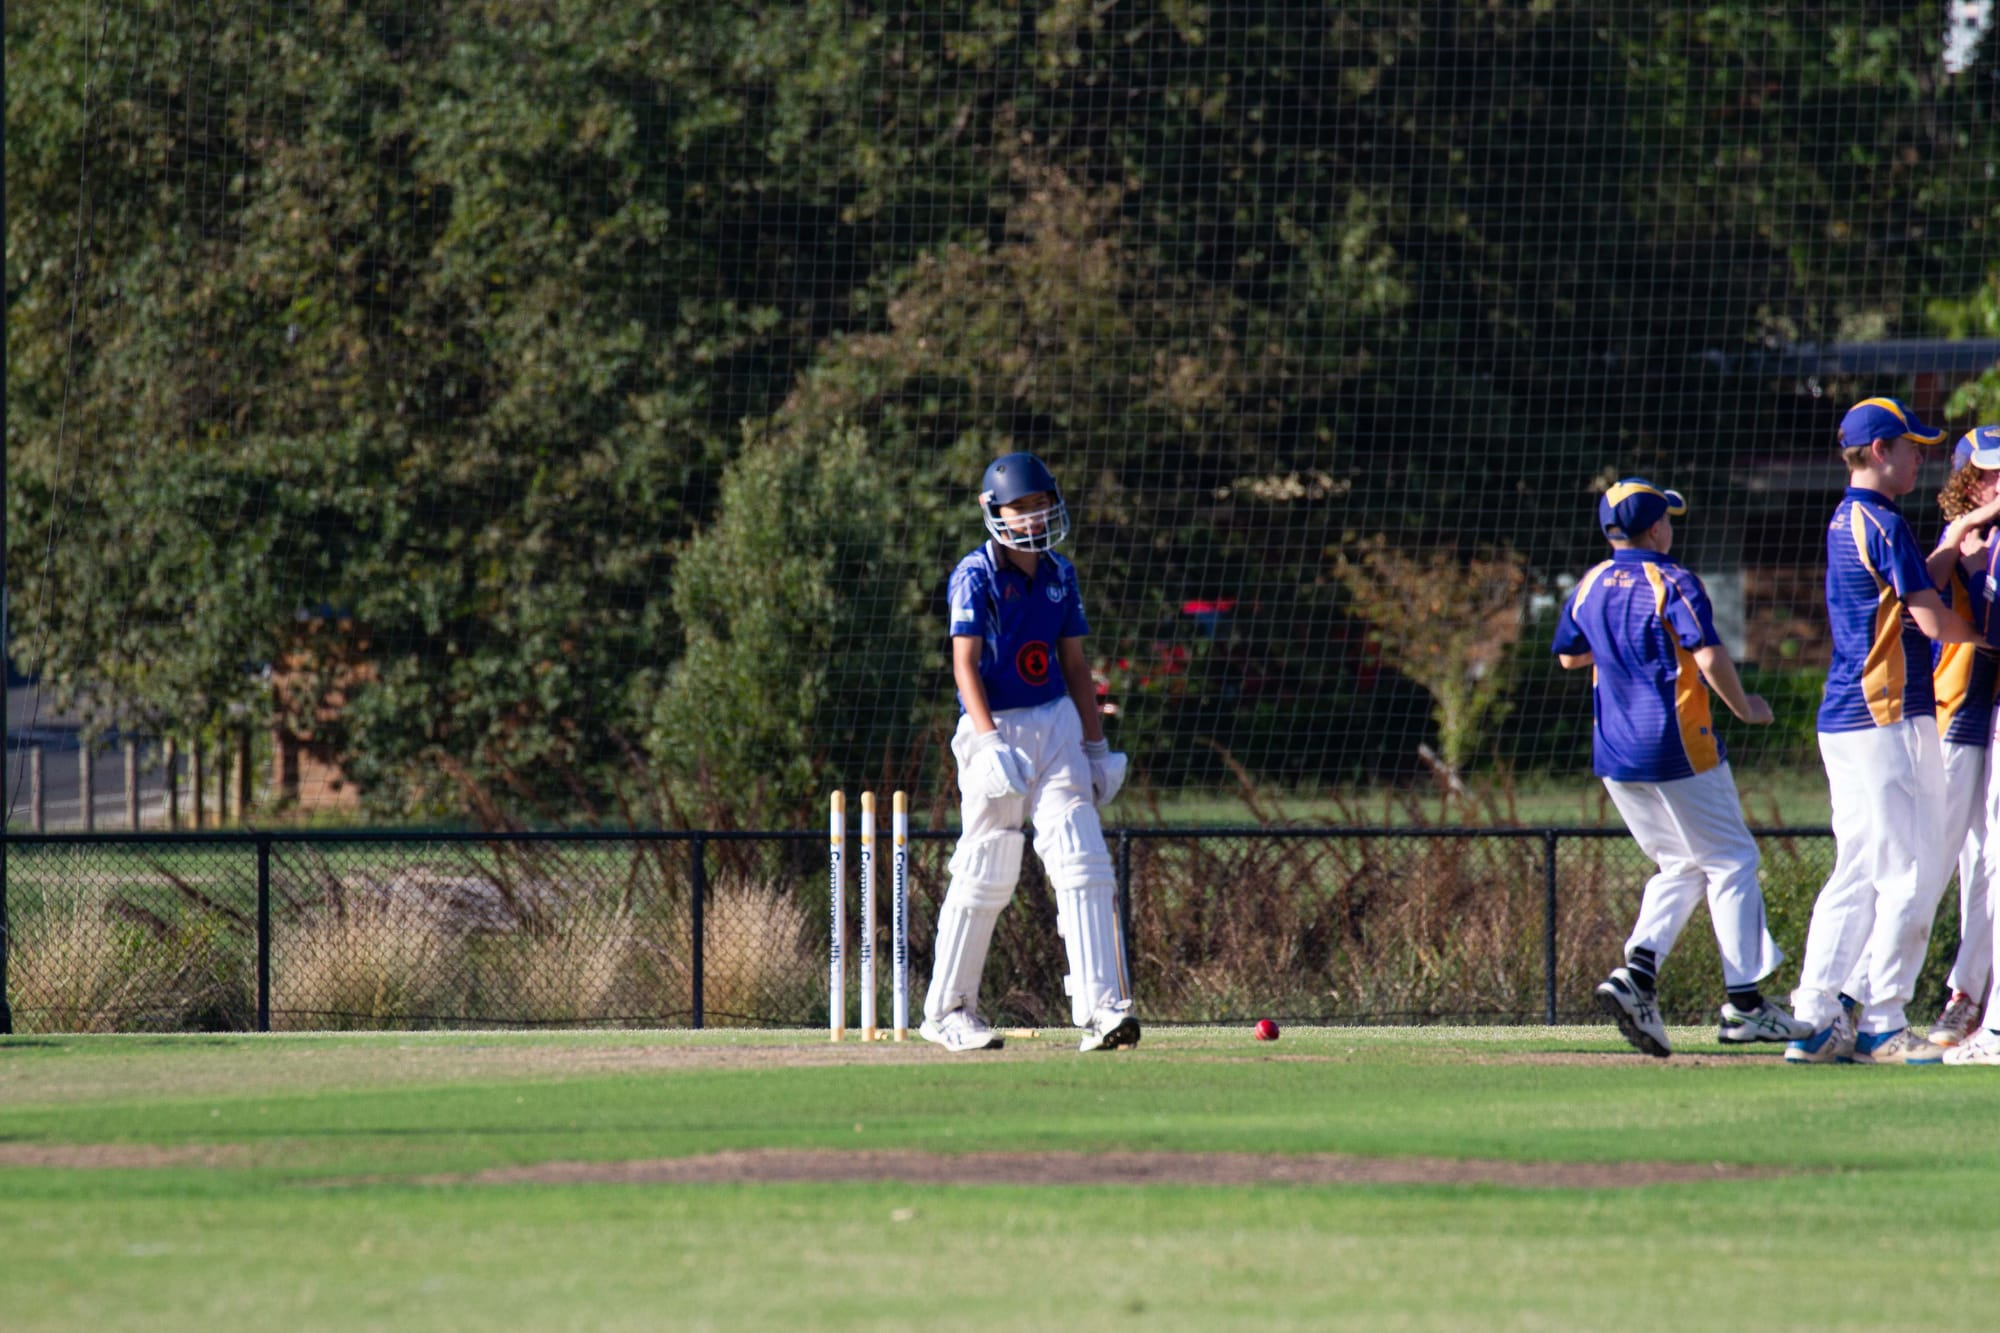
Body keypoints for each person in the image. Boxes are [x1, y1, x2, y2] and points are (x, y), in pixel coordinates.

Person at [1554, 479, 1810, 1058]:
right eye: (1667, 518)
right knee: (1732, 859)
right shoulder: (1673, 579)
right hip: (1676, 746)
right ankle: (1746, 1006)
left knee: (1683, 863)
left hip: (1614, 755)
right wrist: (1744, 708)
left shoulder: (1591, 582)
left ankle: (1637, 976)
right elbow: (1708, 654)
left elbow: (1571, 656)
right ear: (1656, 529)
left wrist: (1622, 647)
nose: (1672, 526)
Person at [1786, 399, 2000, 1066]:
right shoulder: (1883, 522)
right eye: (1911, 446)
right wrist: (1988, 641)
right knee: (1908, 871)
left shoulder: (1850, 517)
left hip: (1844, 718)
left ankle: (1816, 1018)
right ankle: (1882, 1019)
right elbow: (1932, 620)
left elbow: (1916, 585)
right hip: (1889, 716)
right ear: (1880, 451)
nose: (1921, 457)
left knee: (1855, 868)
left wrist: (1957, 530)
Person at [919, 451, 1137, 1054]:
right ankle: (947, 1011)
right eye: (1023, 508)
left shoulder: (1060, 572)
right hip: (996, 728)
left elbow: (1074, 665)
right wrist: (986, 744)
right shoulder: (975, 575)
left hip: (1056, 723)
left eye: (1042, 505)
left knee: (1081, 855)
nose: (1036, 518)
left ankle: (1101, 1010)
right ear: (995, 513)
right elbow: (964, 665)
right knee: (988, 865)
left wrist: (1095, 746)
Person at [1924, 426, 2000, 1047]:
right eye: (1989, 475)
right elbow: (1920, 596)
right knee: (1923, 861)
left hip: (1985, 721)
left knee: (1985, 863)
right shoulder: (1956, 544)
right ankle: (1857, 998)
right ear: (1964, 482)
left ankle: (1967, 997)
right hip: (1948, 721)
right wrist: (1968, 538)